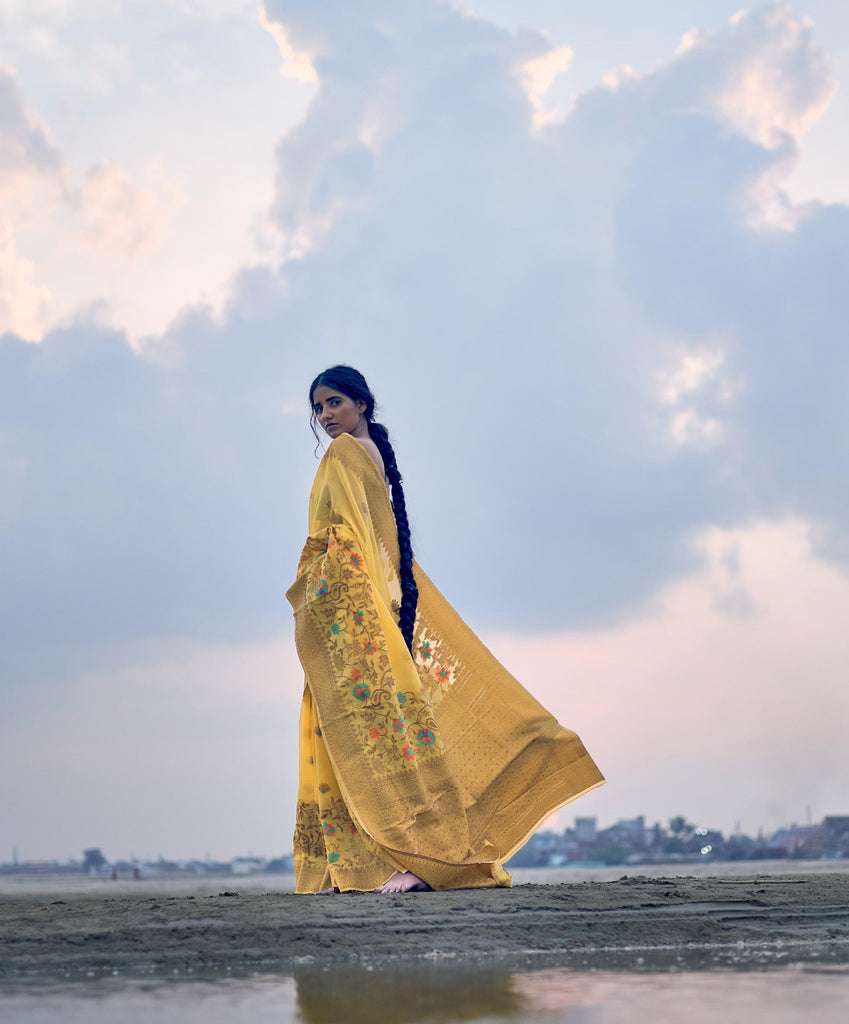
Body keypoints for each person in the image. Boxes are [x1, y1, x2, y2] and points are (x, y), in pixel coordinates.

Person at [286, 366, 604, 894]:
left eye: (334, 402)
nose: (326, 416)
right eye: (318, 408)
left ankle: (413, 860)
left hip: (356, 616)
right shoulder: (375, 456)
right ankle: (393, 858)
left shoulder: (344, 456)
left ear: (362, 403)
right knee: (396, 734)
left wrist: (323, 593)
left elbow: (344, 540)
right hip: (378, 605)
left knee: (369, 733)